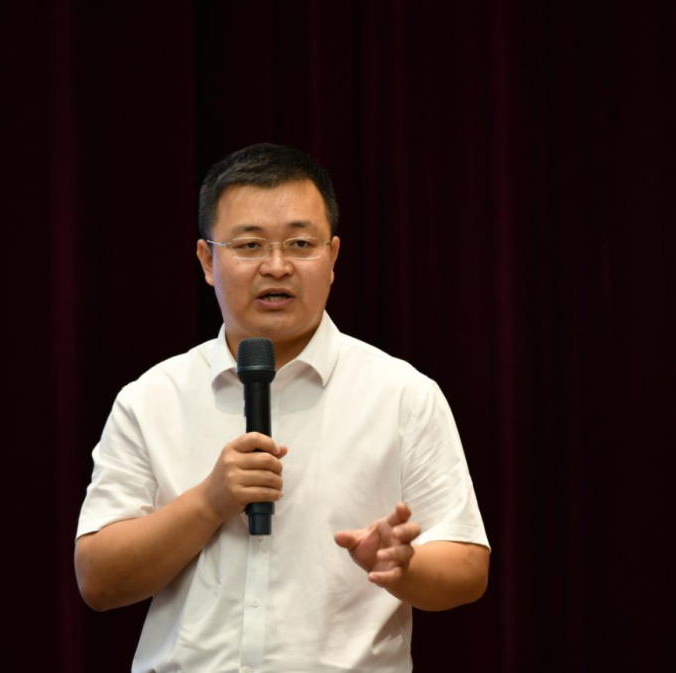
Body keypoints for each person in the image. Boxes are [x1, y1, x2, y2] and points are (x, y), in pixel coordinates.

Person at [75, 143, 490, 672]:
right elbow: (98, 581)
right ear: (208, 260)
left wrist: (403, 568)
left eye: (300, 243)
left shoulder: (402, 394)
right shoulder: (151, 398)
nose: (276, 266)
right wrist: (208, 502)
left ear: (333, 257)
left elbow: (468, 567)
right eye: (249, 245)